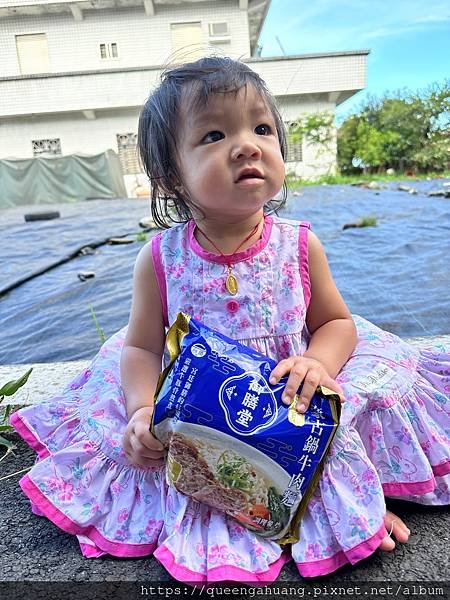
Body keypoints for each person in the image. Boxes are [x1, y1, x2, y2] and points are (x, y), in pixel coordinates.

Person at [11, 56, 449, 583]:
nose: (247, 145)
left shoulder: (299, 246)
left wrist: (316, 361)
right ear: (170, 174)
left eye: (262, 128)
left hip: (287, 389)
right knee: (178, 454)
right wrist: (142, 407)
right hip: (205, 398)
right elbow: (141, 348)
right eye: (215, 134)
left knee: (332, 422)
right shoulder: (160, 260)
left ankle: (349, 508)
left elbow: (337, 322)